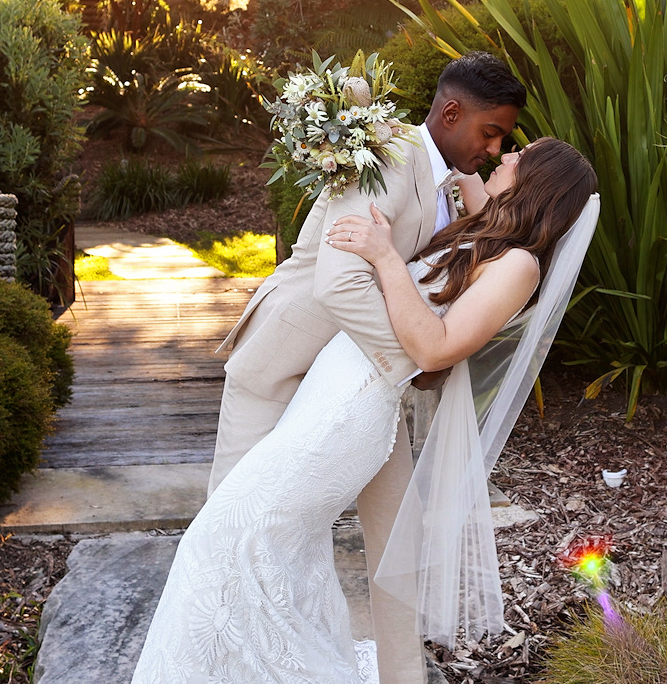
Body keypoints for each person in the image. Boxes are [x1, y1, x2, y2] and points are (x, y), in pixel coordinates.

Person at [132, 136, 599, 684]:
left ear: (540, 182)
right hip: (329, 393)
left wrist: (384, 257)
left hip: (348, 415)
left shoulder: (520, 266)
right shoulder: (495, 233)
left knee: (223, 538)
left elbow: (436, 348)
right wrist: (356, 125)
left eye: (522, 155)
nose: (507, 155)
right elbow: (456, 156)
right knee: (281, 551)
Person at [200, 52, 523, 684]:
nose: (493, 147)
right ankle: (219, 664)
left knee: (398, 535)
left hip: (361, 381)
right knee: (233, 530)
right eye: (490, 132)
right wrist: (419, 360)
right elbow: (339, 283)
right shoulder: (387, 153)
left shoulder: (448, 185)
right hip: (283, 364)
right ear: (451, 112)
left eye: (503, 140)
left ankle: (404, 677)